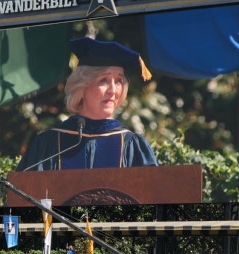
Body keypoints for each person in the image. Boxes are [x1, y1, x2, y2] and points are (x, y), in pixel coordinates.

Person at [18, 38, 159, 172]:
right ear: (82, 87)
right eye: (104, 80)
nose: (113, 90)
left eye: (118, 81)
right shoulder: (50, 144)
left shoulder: (133, 146)